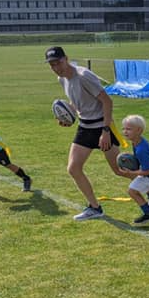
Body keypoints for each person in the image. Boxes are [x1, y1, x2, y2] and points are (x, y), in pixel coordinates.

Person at [45, 45, 122, 221]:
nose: (55, 67)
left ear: (66, 59)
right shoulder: (62, 79)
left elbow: (107, 102)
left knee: (119, 169)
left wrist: (106, 131)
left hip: (102, 126)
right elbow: (76, 102)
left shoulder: (83, 76)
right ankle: (95, 208)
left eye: (58, 62)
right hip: (85, 127)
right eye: (52, 65)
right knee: (73, 168)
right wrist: (67, 115)